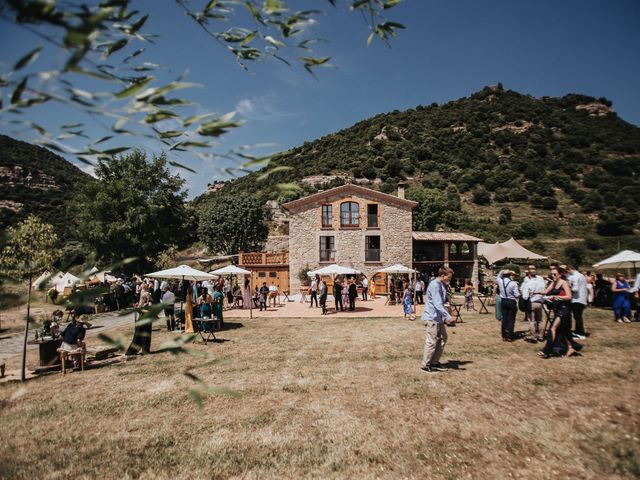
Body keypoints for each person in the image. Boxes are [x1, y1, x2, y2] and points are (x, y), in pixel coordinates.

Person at [538, 266, 581, 358]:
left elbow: (569, 297)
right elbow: (545, 292)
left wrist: (556, 297)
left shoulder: (564, 283)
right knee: (563, 331)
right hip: (557, 309)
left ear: (560, 274)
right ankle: (570, 347)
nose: (553, 276)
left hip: (564, 309)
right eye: (552, 274)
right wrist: (536, 292)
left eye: (555, 274)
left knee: (552, 328)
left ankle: (546, 351)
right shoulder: (553, 283)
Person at [420, 267, 455, 374]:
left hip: (438, 318)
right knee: (431, 341)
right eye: (448, 278)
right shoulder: (435, 285)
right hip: (432, 318)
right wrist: (448, 317)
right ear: (443, 275)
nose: (449, 280)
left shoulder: (441, 285)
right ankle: (425, 365)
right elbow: (437, 304)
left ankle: (434, 362)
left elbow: (442, 301)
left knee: (443, 338)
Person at [520, 265, 546, 342]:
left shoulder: (528, 281)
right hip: (539, 302)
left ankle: (534, 336)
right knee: (540, 320)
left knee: (531, 320)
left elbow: (524, 294)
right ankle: (541, 336)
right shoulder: (541, 279)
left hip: (531, 302)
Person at [498, 270, 520, 342]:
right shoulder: (513, 283)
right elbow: (517, 294)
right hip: (511, 301)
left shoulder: (500, 281)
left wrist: (503, 271)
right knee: (511, 319)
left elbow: (499, 276)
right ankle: (510, 336)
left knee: (504, 318)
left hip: (503, 300)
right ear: (509, 275)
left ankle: (504, 336)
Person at [567, 265, 588, 339]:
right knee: (577, 316)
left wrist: (568, 288)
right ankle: (577, 331)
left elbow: (575, 289)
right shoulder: (581, 275)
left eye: (568, 270)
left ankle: (581, 333)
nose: (568, 272)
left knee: (577, 317)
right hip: (582, 299)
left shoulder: (575, 276)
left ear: (570, 269)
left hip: (577, 299)